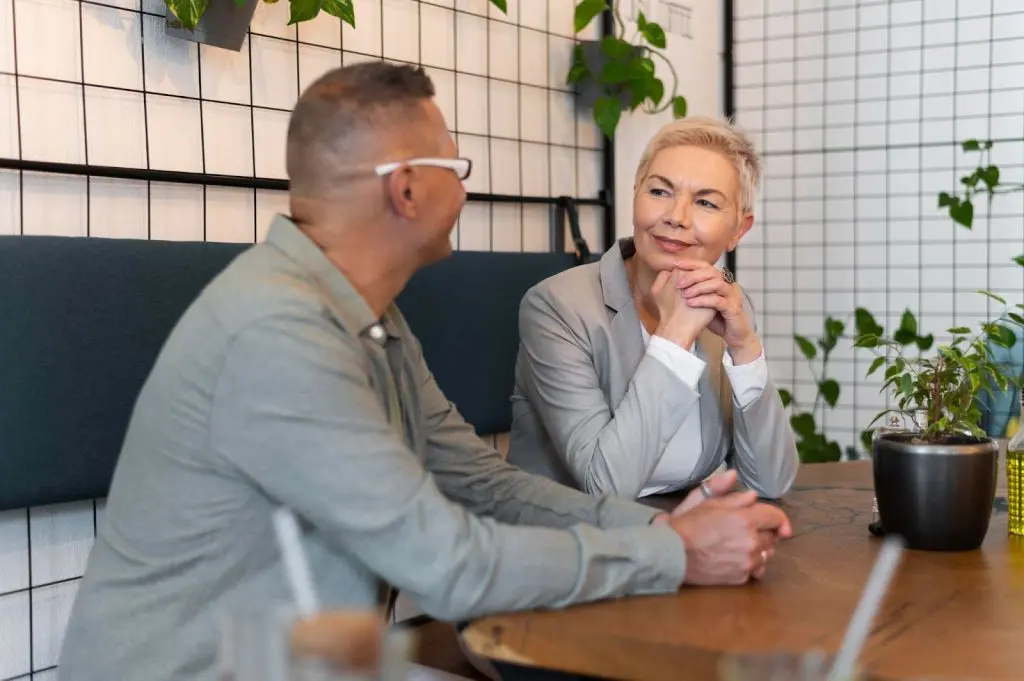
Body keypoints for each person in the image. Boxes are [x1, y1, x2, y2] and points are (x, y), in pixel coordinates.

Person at [56, 65, 792, 681]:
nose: (466, 189)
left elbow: (482, 482)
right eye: (455, 167)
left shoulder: (369, 315)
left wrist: (664, 525)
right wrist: (673, 549)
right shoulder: (276, 333)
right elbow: (448, 563)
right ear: (407, 189)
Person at [505, 117, 799, 502]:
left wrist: (745, 348)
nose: (676, 216)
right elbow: (605, 487)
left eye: (706, 202)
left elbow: (771, 481)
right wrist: (676, 335)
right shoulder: (557, 307)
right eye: (660, 191)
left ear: (739, 229)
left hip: (674, 530)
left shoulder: (728, 308)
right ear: (636, 196)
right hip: (567, 539)